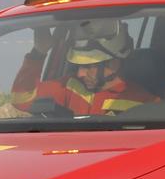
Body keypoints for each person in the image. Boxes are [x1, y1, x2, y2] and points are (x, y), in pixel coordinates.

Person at [10, 21, 157, 116]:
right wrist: (38, 53)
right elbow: (21, 100)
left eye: (88, 66)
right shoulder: (69, 86)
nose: (80, 73)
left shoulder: (143, 101)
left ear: (113, 64)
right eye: (79, 65)